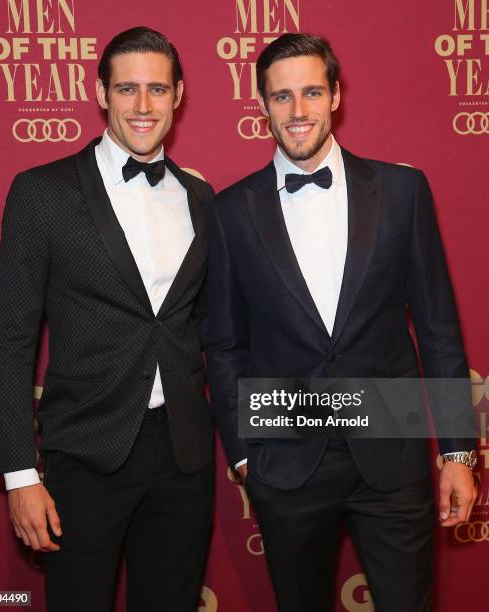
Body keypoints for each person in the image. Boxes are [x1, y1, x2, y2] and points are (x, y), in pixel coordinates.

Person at [206, 33, 477, 611]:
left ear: (335, 96)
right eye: (281, 97)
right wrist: (246, 453)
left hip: (392, 446)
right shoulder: (229, 211)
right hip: (285, 455)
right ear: (262, 105)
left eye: (310, 93)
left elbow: (438, 328)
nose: (297, 111)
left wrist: (458, 452)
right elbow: (225, 345)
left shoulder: (402, 191)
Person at [0, 26, 214, 612]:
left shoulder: (200, 198)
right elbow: (11, 341)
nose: (143, 106)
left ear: (179, 95)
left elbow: (214, 330)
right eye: (128, 88)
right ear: (100, 93)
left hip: (184, 457)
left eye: (158, 89)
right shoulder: (42, 191)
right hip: (86, 453)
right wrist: (19, 474)